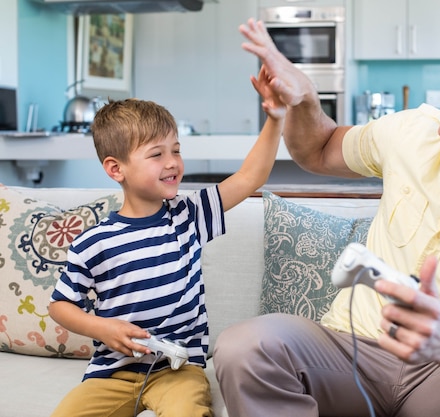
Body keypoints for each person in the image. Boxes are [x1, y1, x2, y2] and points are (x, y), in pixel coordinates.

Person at [212, 19, 440, 417]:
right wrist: (305, 98)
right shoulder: (415, 133)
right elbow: (319, 149)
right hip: (348, 353)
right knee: (244, 346)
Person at [48, 73, 285, 417]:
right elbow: (60, 306)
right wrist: (102, 328)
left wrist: (275, 118)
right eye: (156, 154)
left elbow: (250, 177)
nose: (172, 162)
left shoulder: (189, 215)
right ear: (116, 169)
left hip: (178, 371)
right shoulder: (92, 243)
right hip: (111, 374)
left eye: (176, 150)